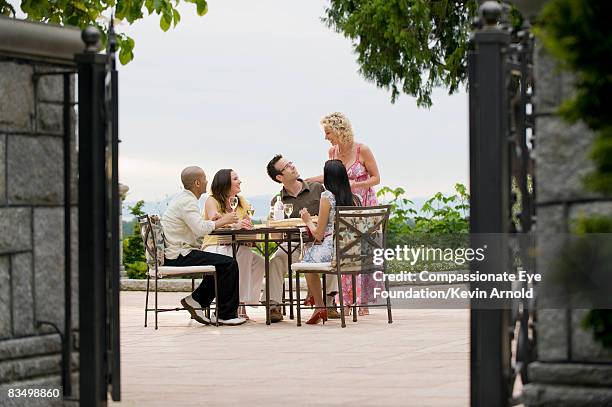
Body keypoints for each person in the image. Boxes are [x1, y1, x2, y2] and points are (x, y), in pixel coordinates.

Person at [306, 112, 382, 315]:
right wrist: (307, 180)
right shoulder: (332, 152)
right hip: (341, 205)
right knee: (345, 249)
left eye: (328, 132)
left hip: (362, 203)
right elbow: (330, 176)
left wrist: (356, 184)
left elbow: (376, 178)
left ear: (340, 130)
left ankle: (361, 300)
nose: (326, 137)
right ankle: (347, 301)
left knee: (362, 253)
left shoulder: (362, 150)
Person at [162, 166, 246, 326]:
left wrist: (214, 220)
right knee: (228, 264)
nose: (207, 181)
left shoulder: (182, 198)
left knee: (222, 264)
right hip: (178, 255)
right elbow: (200, 229)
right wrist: (223, 220)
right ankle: (225, 315)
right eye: (205, 178)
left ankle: (196, 300)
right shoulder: (188, 201)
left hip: (175, 252)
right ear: (197, 183)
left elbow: (198, 225)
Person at [265, 154, 339, 323]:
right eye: (286, 166)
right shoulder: (277, 201)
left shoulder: (317, 189)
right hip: (292, 244)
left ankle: (329, 303)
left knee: (334, 255)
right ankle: (274, 306)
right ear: (279, 177)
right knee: (275, 260)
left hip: (318, 241)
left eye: (290, 163)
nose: (292, 166)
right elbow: (276, 234)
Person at [300, 159, 360, 325]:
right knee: (310, 260)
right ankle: (321, 303)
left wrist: (307, 220)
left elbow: (318, 235)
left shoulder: (327, 197)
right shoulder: (355, 199)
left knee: (306, 264)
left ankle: (320, 305)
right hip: (351, 252)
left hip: (332, 250)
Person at [202, 169, 265, 320]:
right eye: (236, 178)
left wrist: (246, 227)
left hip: (236, 245)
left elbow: (246, 222)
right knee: (243, 253)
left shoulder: (241, 201)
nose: (240, 181)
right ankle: (238, 304)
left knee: (260, 262)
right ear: (225, 182)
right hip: (215, 245)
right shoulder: (212, 200)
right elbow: (214, 222)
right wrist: (232, 223)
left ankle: (246, 301)